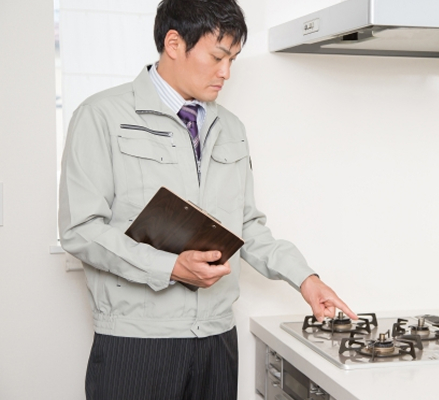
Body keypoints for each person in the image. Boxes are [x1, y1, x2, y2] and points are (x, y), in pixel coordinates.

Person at [58, 1, 355, 399]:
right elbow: (80, 230)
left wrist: (305, 279)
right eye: (217, 57)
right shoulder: (101, 116)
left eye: (232, 59)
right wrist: (171, 267)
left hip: (216, 340)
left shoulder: (231, 128)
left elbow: (246, 226)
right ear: (174, 43)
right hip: (138, 343)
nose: (226, 73)